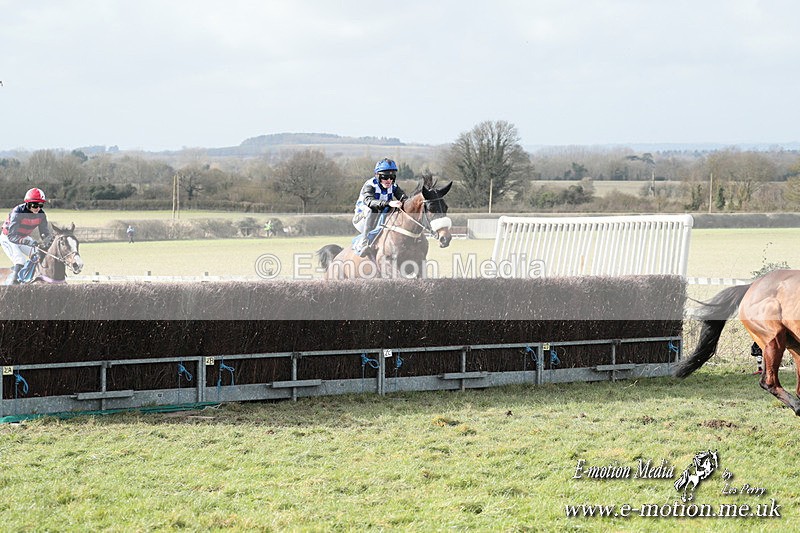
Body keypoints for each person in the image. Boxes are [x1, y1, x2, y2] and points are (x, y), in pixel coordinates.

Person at [352, 158, 408, 256]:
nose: (389, 180)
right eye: (385, 177)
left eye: (392, 177)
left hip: (381, 214)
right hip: (362, 218)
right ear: (378, 176)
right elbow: (369, 202)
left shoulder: (394, 186)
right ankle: (364, 242)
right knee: (371, 210)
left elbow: (405, 200)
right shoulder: (370, 185)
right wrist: (389, 203)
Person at [1, 188, 51, 285]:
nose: (38, 208)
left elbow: (45, 234)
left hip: (23, 237)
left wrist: (49, 243)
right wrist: (28, 242)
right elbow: (12, 236)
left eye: (40, 205)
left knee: (38, 255)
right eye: (35, 205)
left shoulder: (41, 215)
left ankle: (30, 279)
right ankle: (13, 286)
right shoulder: (18, 212)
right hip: (8, 238)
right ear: (27, 203)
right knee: (20, 260)